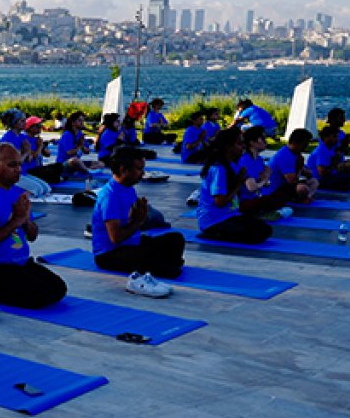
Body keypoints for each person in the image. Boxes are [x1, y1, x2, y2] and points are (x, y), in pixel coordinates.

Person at [0, 143, 66, 308]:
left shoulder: (18, 194)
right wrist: (16, 220)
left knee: (59, 289)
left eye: (19, 165)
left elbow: (32, 236)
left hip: (20, 262)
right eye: (12, 165)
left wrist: (26, 220)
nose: (18, 170)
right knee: (40, 296)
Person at [91, 147, 185, 297]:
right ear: (123, 170)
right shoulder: (110, 197)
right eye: (139, 169)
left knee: (176, 239)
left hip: (131, 243)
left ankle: (162, 263)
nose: (143, 173)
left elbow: (130, 222)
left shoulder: (128, 189)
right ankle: (162, 265)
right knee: (164, 265)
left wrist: (140, 217)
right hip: (109, 254)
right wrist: (138, 221)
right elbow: (115, 238)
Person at [197, 129, 273, 243]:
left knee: (265, 229)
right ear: (228, 147)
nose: (243, 146)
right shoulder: (219, 169)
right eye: (239, 144)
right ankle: (212, 233)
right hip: (213, 220)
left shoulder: (232, 165)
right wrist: (239, 182)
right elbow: (220, 202)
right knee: (258, 233)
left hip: (229, 215)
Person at [236, 126, 293, 220]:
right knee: (270, 200)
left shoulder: (259, 160)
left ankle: (270, 211)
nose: (265, 141)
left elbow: (264, 181)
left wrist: (264, 180)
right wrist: (264, 180)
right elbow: (252, 187)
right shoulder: (245, 160)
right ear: (252, 142)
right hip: (244, 201)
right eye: (262, 138)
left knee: (287, 189)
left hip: (256, 196)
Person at [266, 129, 319, 204]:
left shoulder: (296, 154)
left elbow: (308, 174)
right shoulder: (285, 156)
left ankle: (305, 197)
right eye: (305, 144)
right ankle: (298, 199)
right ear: (295, 143)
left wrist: (305, 171)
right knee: (302, 188)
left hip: (287, 184)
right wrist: (299, 168)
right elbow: (291, 181)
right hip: (277, 187)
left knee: (314, 182)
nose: (306, 147)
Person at [308, 125, 350, 192]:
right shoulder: (321, 151)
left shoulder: (329, 148)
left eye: (337, 137)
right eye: (334, 136)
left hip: (330, 173)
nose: (337, 139)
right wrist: (335, 164)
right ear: (325, 137)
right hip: (319, 180)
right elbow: (322, 173)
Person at [55, 111, 99, 177]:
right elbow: (69, 152)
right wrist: (80, 145)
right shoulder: (67, 135)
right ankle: (88, 171)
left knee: (100, 163)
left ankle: (84, 169)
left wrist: (83, 146)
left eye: (83, 121)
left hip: (78, 162)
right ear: (73, 123)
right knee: (75, 160)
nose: (82, 123)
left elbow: (87, 151)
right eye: (79, 120)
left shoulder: (80, 134)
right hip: (63, 164)